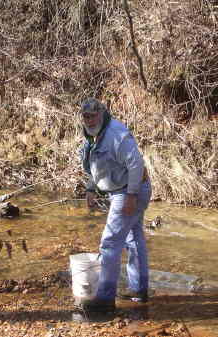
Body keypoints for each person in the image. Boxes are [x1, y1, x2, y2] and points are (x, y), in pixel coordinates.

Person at [78, 98, 152, 312]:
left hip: (131, 189)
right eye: (85, 117)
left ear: (102, 114)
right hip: (121, 190)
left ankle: (105, 299)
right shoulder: (93, 135)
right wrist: (91, 188)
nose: (89, 120)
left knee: (109, 243)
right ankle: (139, 290)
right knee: (133, 238)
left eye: (92, 116)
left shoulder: (116, 134)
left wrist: (131, 196)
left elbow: (136, 164)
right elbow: (95, 164)